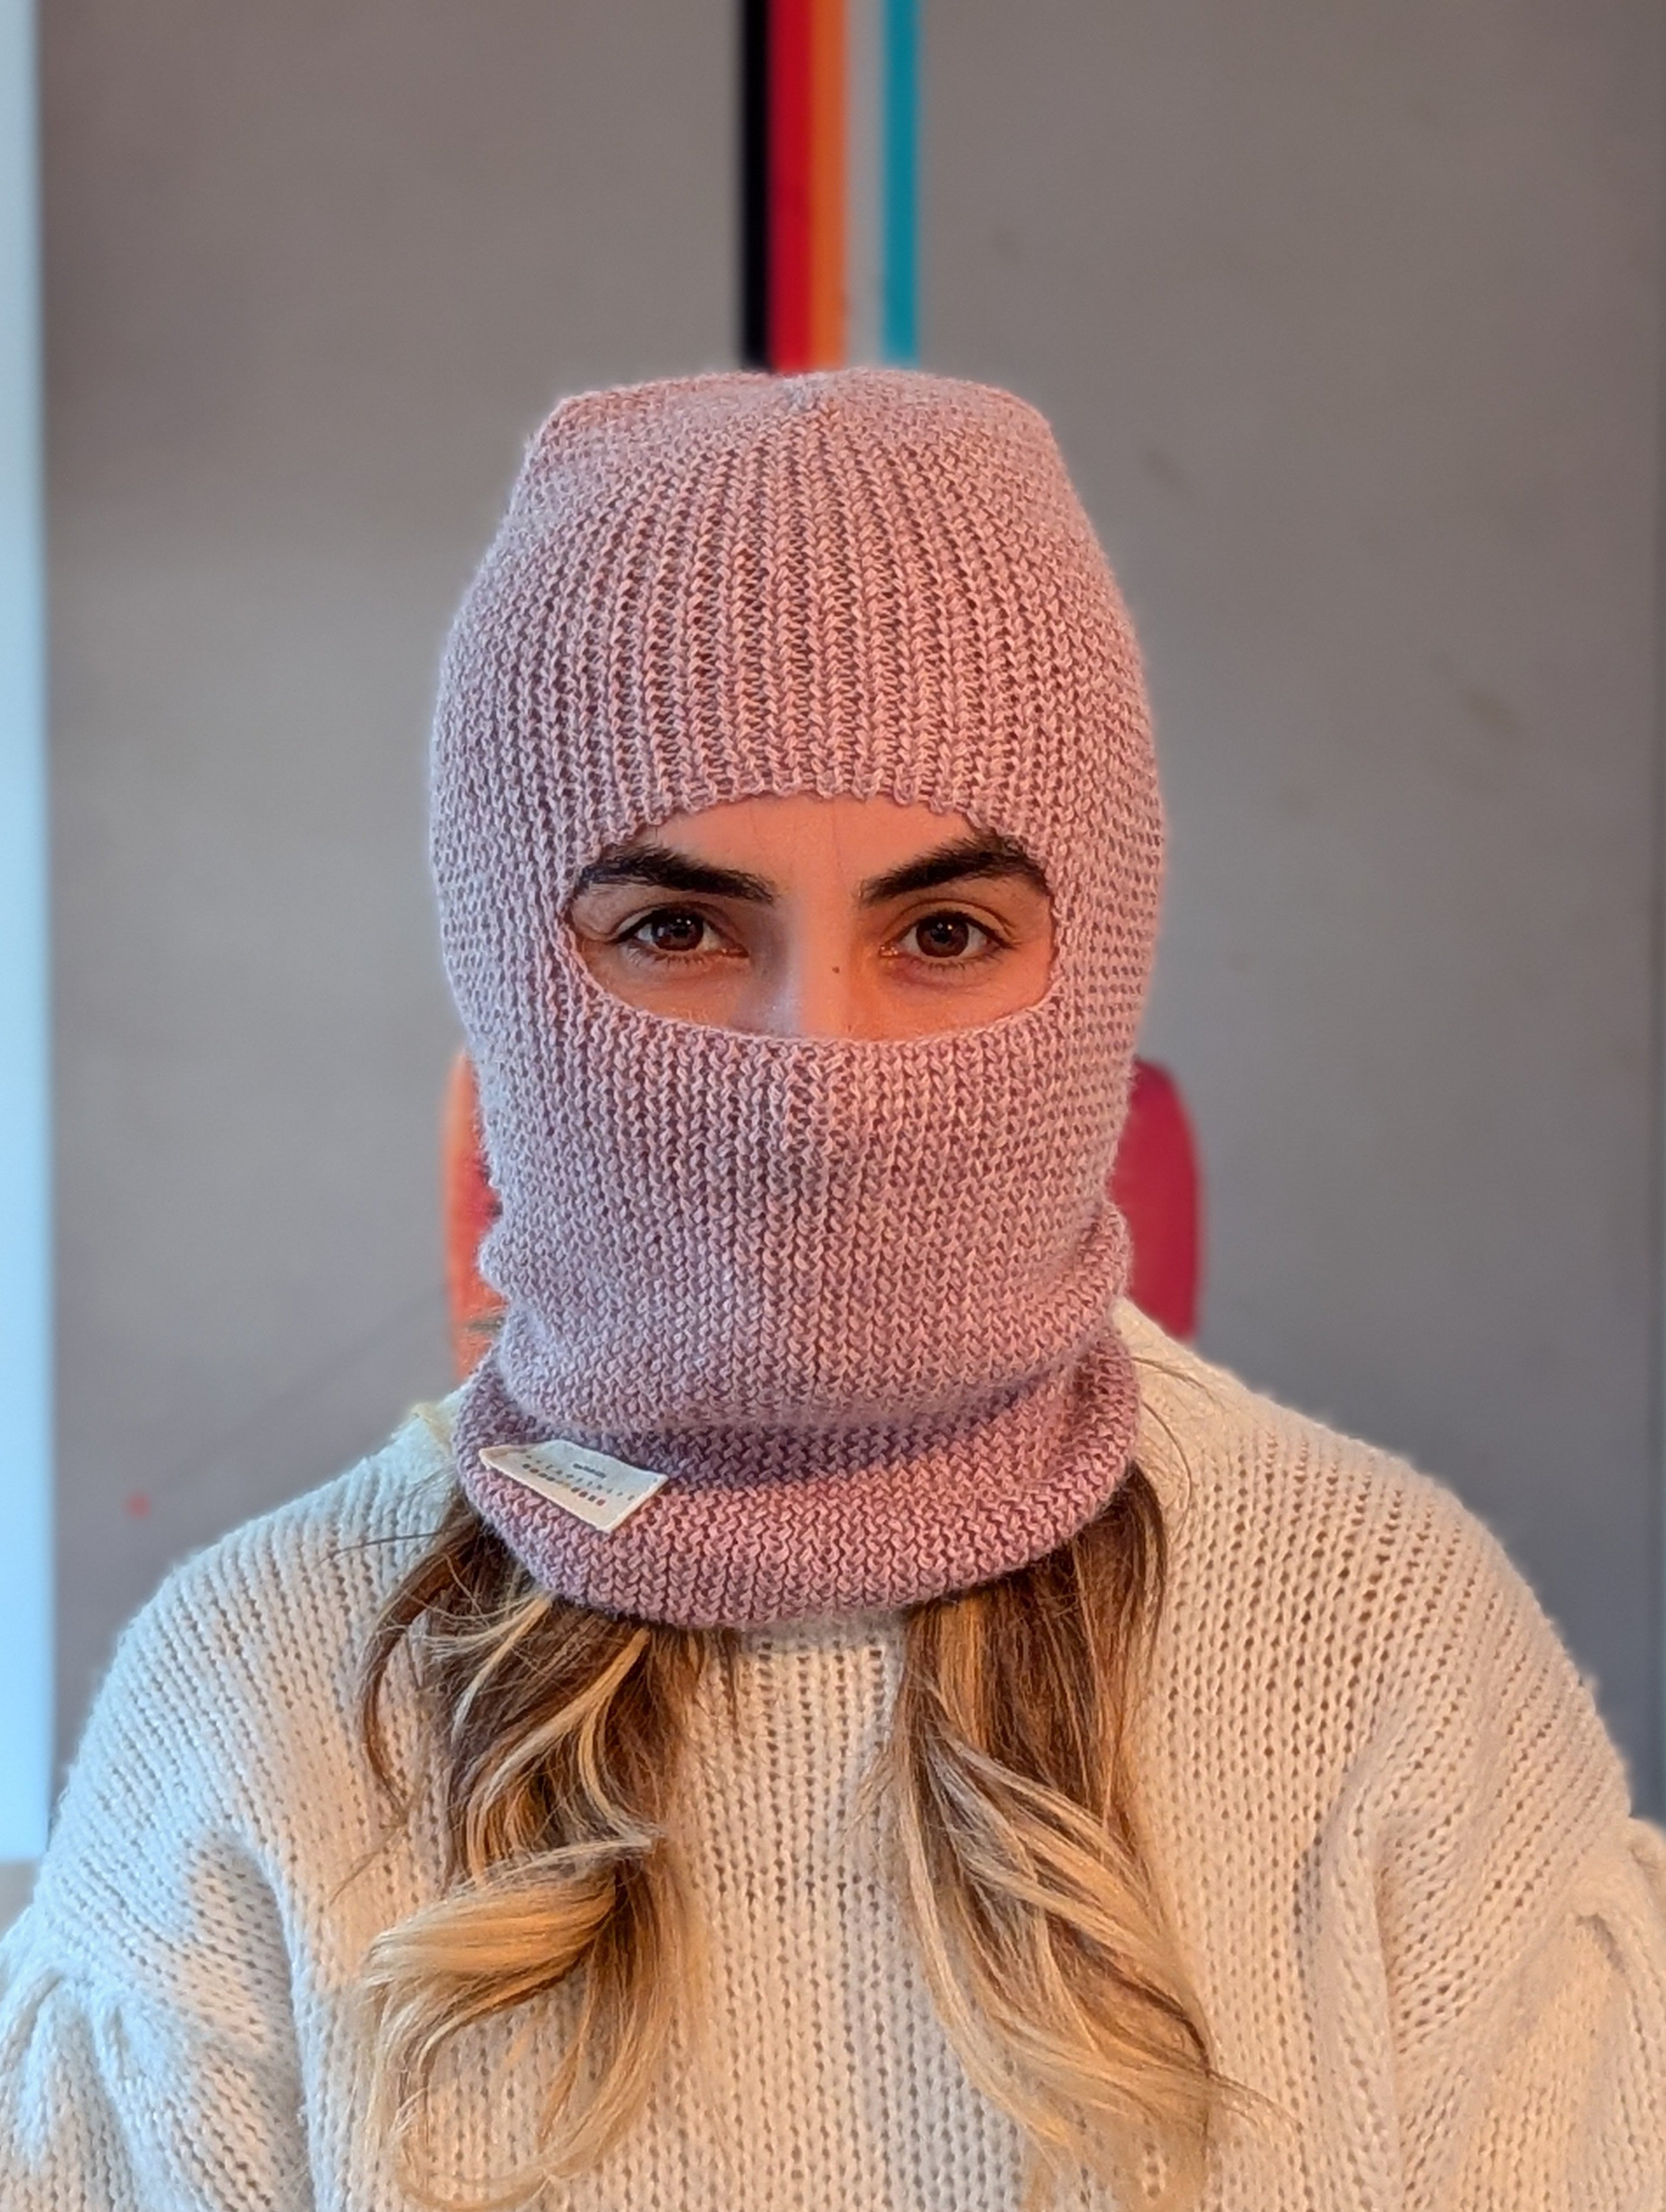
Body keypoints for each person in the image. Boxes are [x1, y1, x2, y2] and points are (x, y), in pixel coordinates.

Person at [3, 369, 1664, 2212]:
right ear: (503, 978)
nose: (817, 1070)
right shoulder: (257, 1699)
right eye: (677, 929)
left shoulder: (1386, 1649)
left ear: (1096, 957)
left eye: (941, 931)